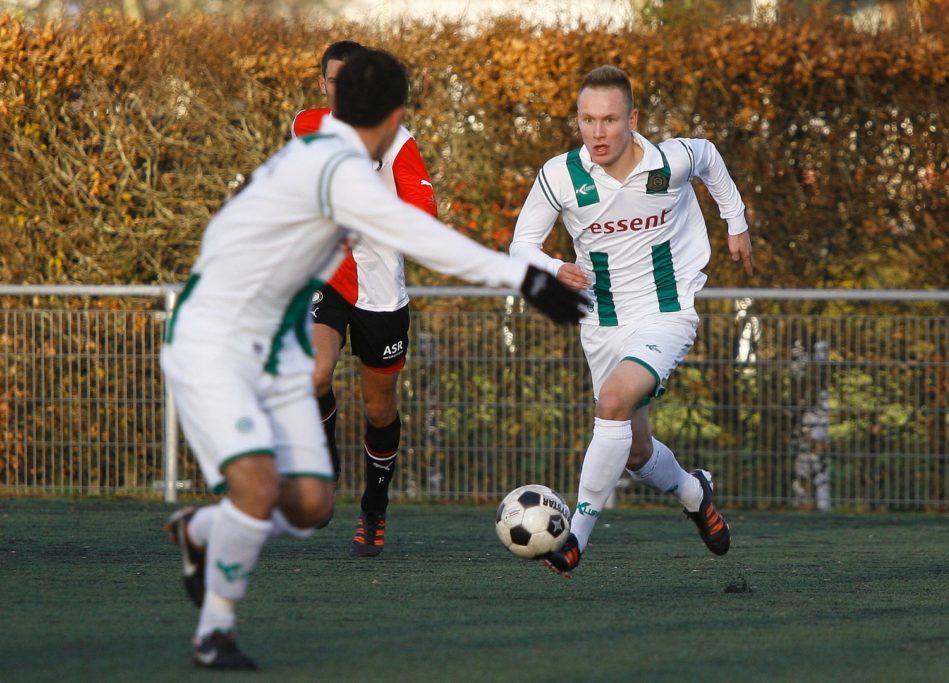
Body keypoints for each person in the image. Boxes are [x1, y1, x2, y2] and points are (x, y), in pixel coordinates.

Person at [162, 48, 587, 669]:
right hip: (215, 341)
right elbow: (420, 235)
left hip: (280, 332)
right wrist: (524, 278)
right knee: (256, 488)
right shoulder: (330, 165)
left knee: (311, 508)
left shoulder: (328, 152)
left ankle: (200, 531)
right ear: (394, 114)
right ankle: (214, 633)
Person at [509, 65, 754, 578]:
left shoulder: (669, 161)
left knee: (613, 401)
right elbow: (521, 246)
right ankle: (693, 492)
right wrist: (555, 267)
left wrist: (736, 222)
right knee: (636, 452)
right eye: (587, 120)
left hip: (666, 313)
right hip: (601, 324)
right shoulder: (560, 176)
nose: (597, 133)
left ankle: (574, 538)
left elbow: (709, 156)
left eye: (610, 120)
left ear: (633, 119)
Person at [293, 40, 438, 556]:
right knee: (313, 375)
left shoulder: (397, 141)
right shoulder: (305, 126)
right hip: (327, 275)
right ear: (323, 85)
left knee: (379, 410)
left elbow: (424, 215)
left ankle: (374, 507)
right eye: (337, 82)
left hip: (380, 291)